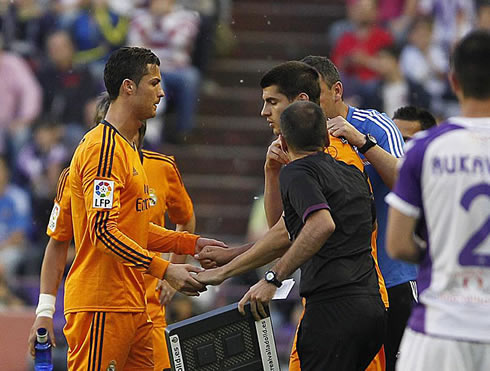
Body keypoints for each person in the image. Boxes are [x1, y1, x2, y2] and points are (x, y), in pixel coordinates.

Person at [196, 60, 388, 371]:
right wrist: (272, 173)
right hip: (349, 301)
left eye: (272, 102)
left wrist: (241, 272)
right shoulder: (304, 157)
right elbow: (287, 229)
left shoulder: (330, 155)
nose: (264, 112)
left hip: (340, 301)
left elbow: (302, 229)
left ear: (299, 103)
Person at [40, 46, 223, 370]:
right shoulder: (103, 149)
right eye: (154, 83)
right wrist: (166, 270)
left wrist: (190, 244)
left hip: (133, 305)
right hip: (103, 304)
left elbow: (131, 227)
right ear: (128, 87)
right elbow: (102, 232)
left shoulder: (127, 153)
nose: (162, 92)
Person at [246, 101, 386, 370]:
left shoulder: (296, 173)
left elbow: (317, 226)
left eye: (271, 102)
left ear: (283, 142)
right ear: (325, 137)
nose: (266, 111)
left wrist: (273, 278)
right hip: (371, 306)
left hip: (332, 310)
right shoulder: (353, 171)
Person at [385, 30, 490, 371]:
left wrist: (439, 251)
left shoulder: (424, 148)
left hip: (439, 329)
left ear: (453, 80)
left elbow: (398, 244)